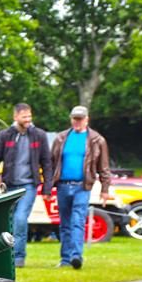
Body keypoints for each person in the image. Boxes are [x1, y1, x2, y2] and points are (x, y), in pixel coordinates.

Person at [0, 103, 53, 267]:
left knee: (20, 219)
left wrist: (47, 188)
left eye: (30, 116)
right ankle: (7, 257)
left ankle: (19, 258)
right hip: (9, 186)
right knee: (8, 221)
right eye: (24, 117)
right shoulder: (6, 135)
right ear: (15, 117)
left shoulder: (39, 135)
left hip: (29, 186)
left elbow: (47, 163)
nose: (28, 119)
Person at [50, 106, 111, 269]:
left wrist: (105, 189)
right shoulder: (61, 138)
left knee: (77, 221)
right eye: (74, 119)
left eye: (80, 119)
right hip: (62, 186)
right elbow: (51, 164)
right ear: (71, 119)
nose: (77, 122)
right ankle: (65, 259)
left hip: (82, 186)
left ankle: (76, 256)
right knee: (64, 224)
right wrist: (48, 188)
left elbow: (104, 167)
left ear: (86, 119)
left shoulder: (97, 140)